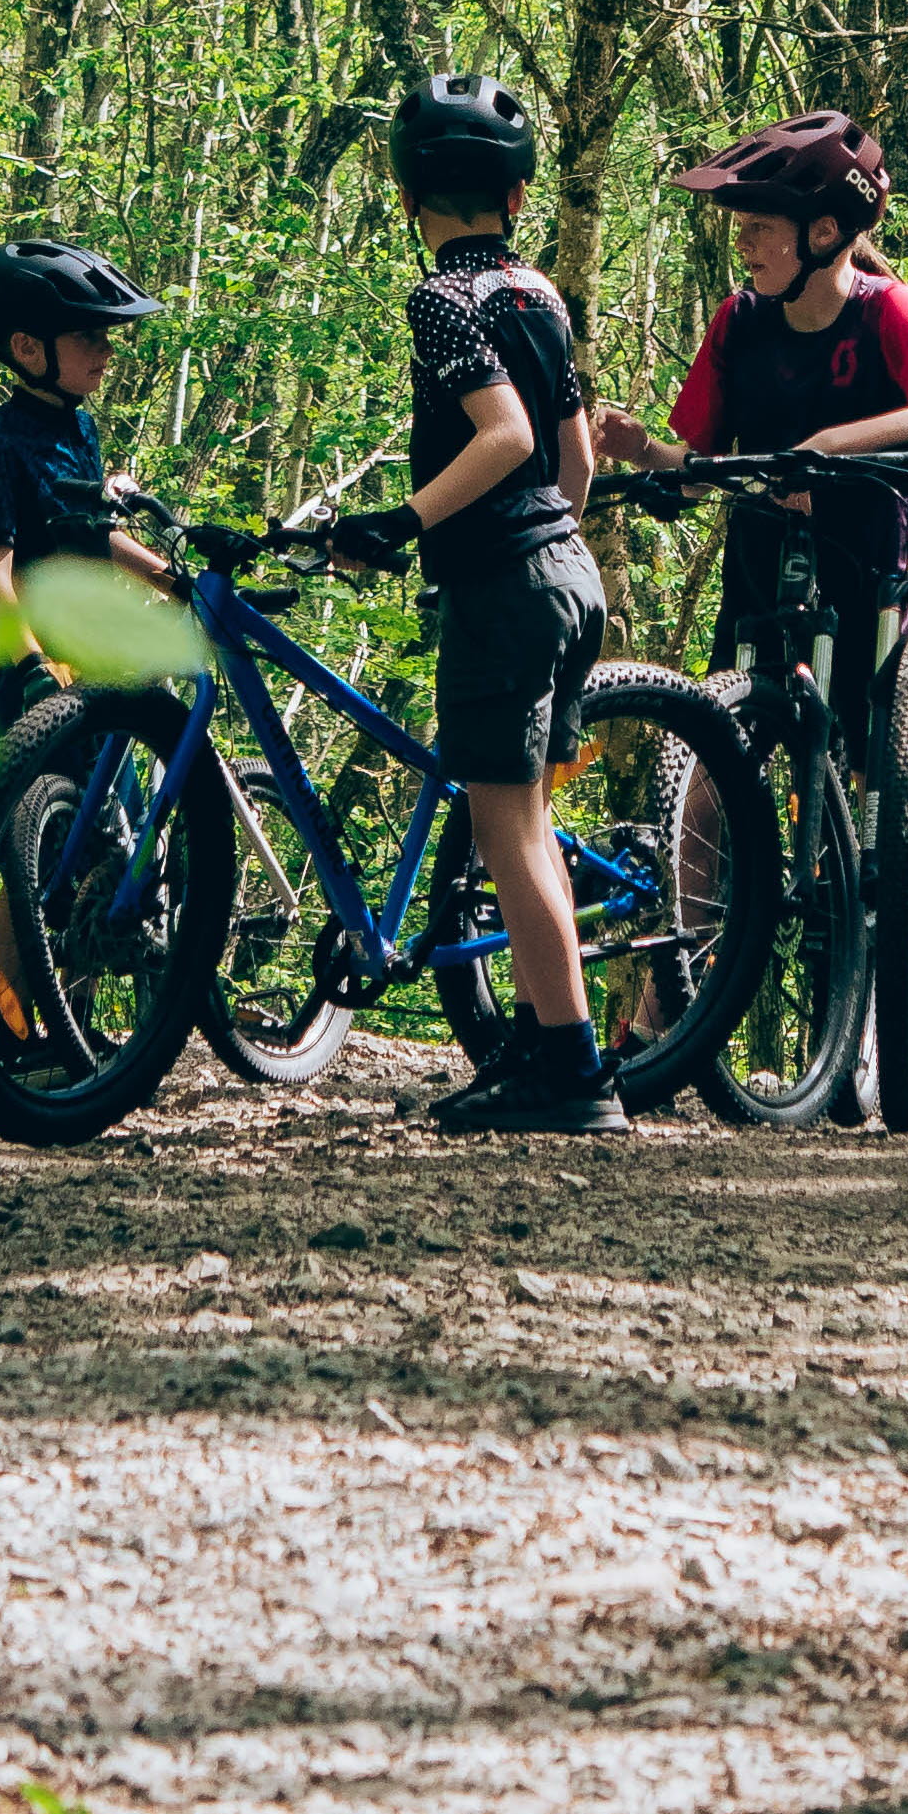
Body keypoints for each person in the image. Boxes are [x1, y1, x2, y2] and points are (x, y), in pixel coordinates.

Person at [594, 109, 908, 1126]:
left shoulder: (885, 311)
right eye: (741, 228)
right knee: (709, 790)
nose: (743, 242)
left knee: (897, 817)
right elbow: (696, 465)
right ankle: (662, 1020)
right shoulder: (738, 322)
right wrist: (638, 450)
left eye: (760, 225)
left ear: (824, 231)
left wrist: (834, 444)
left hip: (866, 582)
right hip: (765, 577)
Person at [320, 72, 623, 1137]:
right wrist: (551, 543)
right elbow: (575, 462)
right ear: (517, 197)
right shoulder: (541, 296)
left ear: (409, 199)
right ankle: (542, 1047)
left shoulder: (440, 301)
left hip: (505, 586)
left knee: (507, 829)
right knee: (525, 820)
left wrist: (401, 524)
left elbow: (509, 437)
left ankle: (573, 1073)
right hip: (567, 576)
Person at [0, 237, 174, 1054]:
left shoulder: (78, 429)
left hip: (90, 682)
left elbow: (92, 532)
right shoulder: (2, 447)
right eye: (89, 337)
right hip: (28, 685)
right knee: (26, 870)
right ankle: (16, 1035)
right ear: (27, 348)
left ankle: (73, 1028)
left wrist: (169, 580)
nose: (106, 351)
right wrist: (29, 667)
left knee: (92, 856)